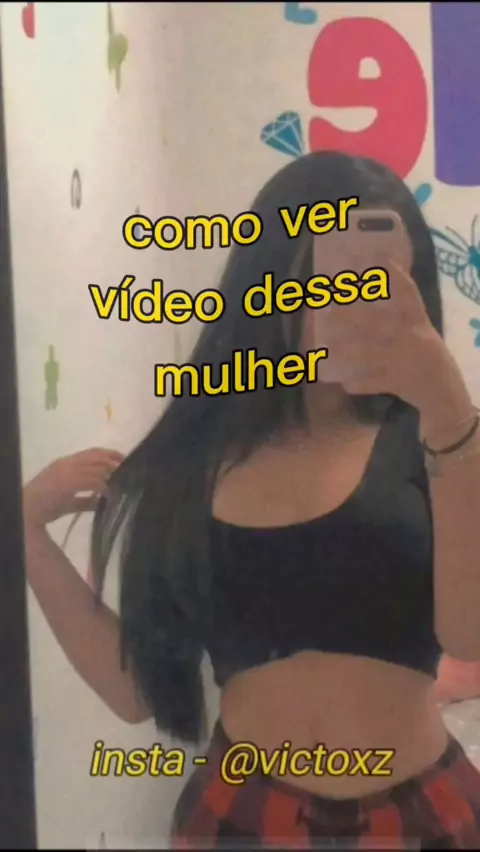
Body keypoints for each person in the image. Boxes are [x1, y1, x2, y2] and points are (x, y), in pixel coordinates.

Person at [23, 152, 480, 849]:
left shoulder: (441, 438)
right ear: (269, 282)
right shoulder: (198, 453)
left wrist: (451, 412)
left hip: (420, 816)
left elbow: (472, 635)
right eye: (326, 279)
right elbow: (137, 688)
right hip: (241, 817)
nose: (348, 303)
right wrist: (25, 531)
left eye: (379, 280)